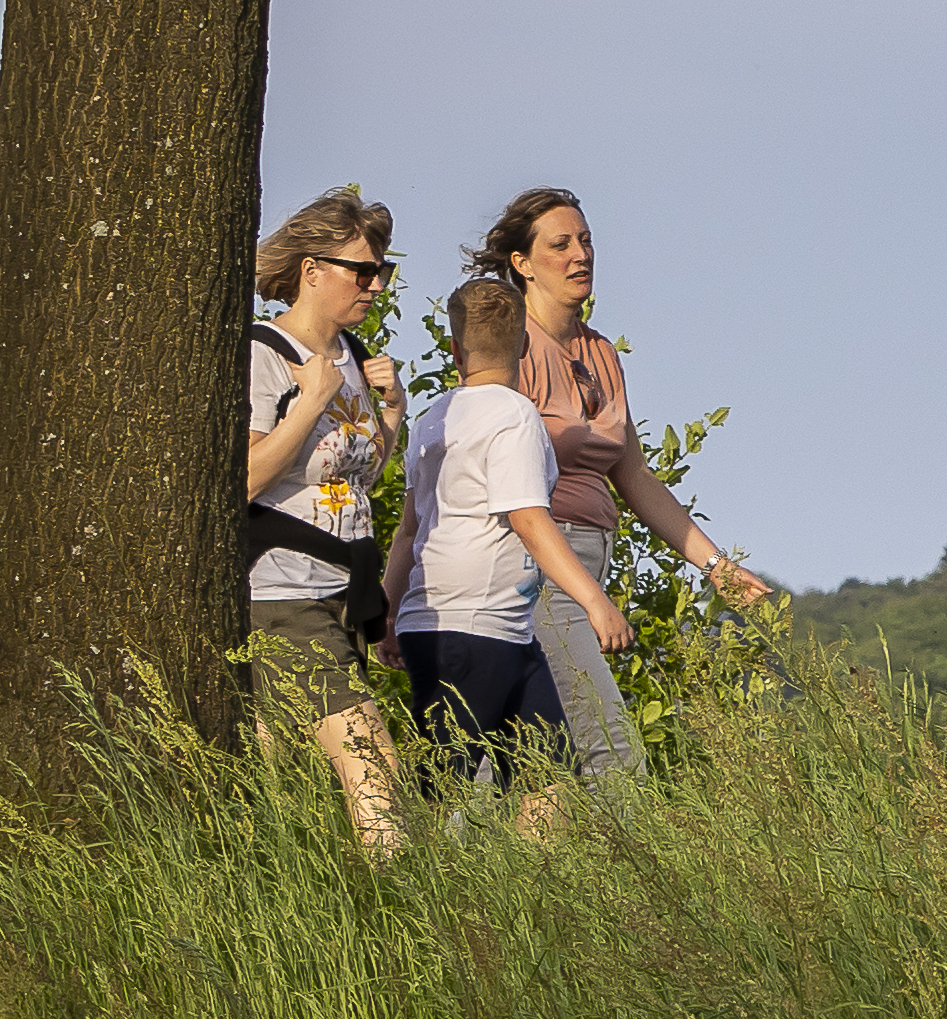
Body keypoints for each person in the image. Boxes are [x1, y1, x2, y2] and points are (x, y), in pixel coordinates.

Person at [475, 187, 770, 790]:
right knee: (611, 755)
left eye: (585, 241)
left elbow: (633, 475)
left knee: (511, 763)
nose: (579, 254)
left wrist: (715, 565)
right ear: (522, 263)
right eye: (560, 245)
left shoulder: (600, 353)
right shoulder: (509, 352)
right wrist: (584, 595)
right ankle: (636, 881)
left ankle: (442, 876)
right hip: (534, 567)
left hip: (584, 565)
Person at [392, 276, 634, 804]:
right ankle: (421, 880)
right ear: (526, 346)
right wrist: (595, 602)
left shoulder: (433, 417)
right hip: (469, 622)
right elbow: (528, 516)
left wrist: (389, 616)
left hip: (497, 627)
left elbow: (409, 529)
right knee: (445, 788)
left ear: (454, 348)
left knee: (547, 775)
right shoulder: (514, 414)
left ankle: (536, 885)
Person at [238, 184, 415, 855]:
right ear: (311, 271)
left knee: (273, 785)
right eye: (362, 270)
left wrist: (390, 416)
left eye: (382, 270)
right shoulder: (262, 352)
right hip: (282, 593)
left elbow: (355, 477)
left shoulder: (356, 355)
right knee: (375, 766)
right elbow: (246, 478)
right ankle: (409, 917)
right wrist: (309, 404)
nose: (375, 284)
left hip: (341, 596)